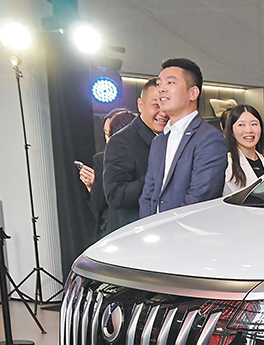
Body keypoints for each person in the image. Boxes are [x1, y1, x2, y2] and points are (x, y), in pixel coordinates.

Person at [139, 57, 227, 218]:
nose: (161, 89)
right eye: (159, 84)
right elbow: (148, 195)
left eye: (170, 83)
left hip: (187, 230)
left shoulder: (209, 138)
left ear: (193, 93)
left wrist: (169, 227)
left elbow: (201, 197)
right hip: (156, 229)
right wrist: (148, 226)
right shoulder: (159, 141)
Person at [100, 79, 169, 234]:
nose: (163, 113)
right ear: (140, 105)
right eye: (156, 105)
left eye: (166, 104)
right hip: (139, 233)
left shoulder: (174, 136)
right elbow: (115, 196)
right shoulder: (122, 141)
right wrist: (159, 177)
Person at [81, 108, 137, 236]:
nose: (107, 139)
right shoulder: (149, 151)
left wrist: (92, 186)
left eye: (109, 133)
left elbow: (99, 203)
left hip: (114, 228)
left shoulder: (103, 159)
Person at [224, 105, 264, 195]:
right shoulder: (226, 164)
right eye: (241, 125)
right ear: (231, 131)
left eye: (254, 124)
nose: (249, 130)